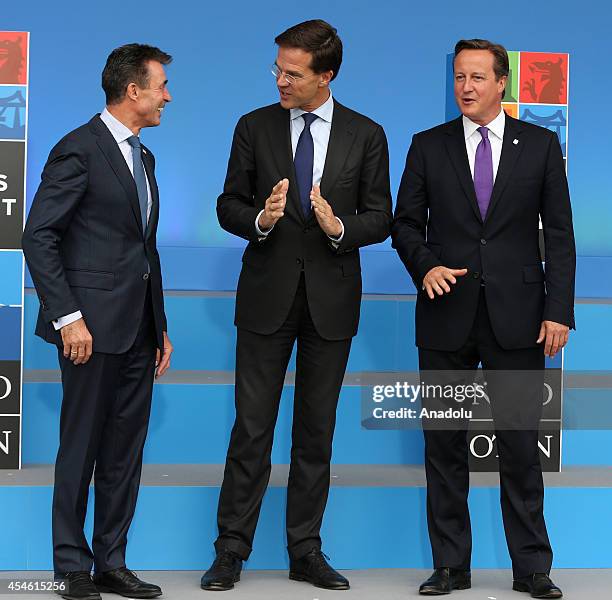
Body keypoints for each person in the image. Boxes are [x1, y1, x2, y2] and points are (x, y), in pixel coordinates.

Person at [200, 19, 392, 592]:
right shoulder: (253, 127)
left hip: (331, 303)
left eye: (293, 73)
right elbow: (226, 204)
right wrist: (260, 218)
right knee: (251, 430)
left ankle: (305, 550)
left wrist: (340, 226)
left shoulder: (367, 133)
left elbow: (380, 217)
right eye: (277, 69)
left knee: (316, 433)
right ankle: (231, 549)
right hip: (266, 300)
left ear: (325, 76)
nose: (280, 80)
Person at [392, 39, 575, 598]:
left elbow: (561, 237)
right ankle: (451, 566)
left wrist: (558, 311)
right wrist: (425, 266)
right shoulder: (428, 146)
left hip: (519, 319)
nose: (465, 87)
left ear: (502, 84)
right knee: (443, 445)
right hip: (446, 314)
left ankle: (532, 569)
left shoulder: (541, 146)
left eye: (477, 77)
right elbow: (405, 224)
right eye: (458, 77)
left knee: (520, 447)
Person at [22, 43, 174, 600]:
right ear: (133, 91)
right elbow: (37, 236)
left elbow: (144, 249)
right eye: (161, 86)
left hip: (137, 331)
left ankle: (112, 562)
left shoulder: (145, 157)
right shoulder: (78, 149)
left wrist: (159, 326)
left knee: (124, 452)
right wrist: (68, 319)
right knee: (80, 447)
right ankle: (70, 567)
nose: (167, 97)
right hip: (86, 331)